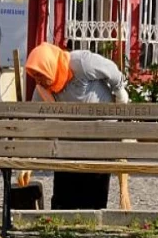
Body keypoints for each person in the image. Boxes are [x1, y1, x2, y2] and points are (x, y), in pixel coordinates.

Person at [16, 42, 129, 209]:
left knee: (94, 188)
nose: (38, 80)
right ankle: (62, 215)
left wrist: (119, 91)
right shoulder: (42, 89)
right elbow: (35, 123)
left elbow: (111, 70)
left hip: (101, 134)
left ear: (50, 65)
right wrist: (27, 160)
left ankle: (92, 217)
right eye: (35, 76)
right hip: (70, 139)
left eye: (40, 74)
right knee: (65, 184)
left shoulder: (82, 63)